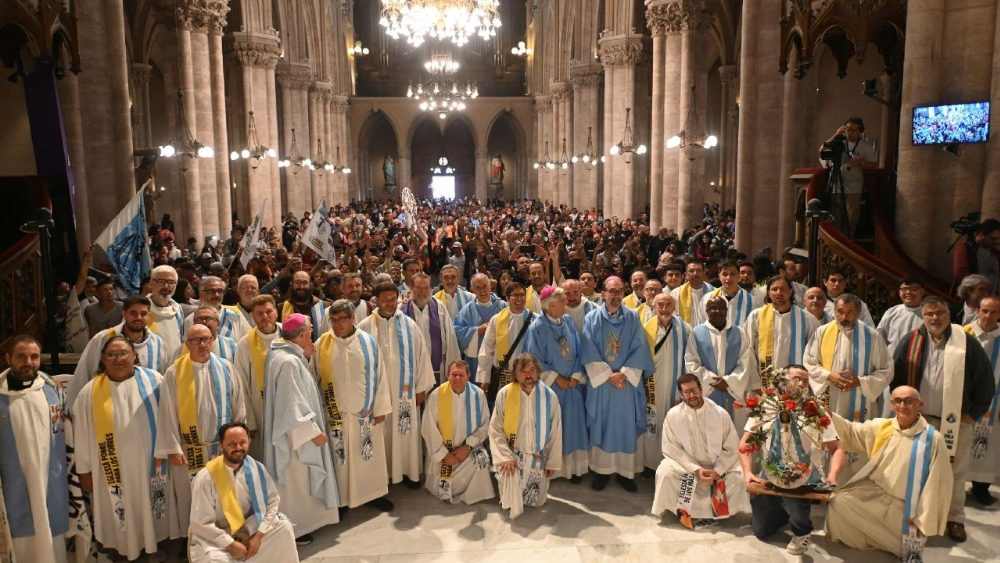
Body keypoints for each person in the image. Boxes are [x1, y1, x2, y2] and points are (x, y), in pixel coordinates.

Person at [889, 296, 995, 542]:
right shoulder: (912, 341)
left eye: (940, 313)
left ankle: (954, 518)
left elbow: (985, 382)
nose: (935, 318)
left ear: (949, 315)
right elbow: (897, 375)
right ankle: (916, 515)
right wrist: (903, 409)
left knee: (956, 472)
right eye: (929, 314)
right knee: (915, 469)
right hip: (919, 420)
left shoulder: (966, 343)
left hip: (956, 422)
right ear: (923, 316)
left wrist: (972, 413)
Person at [826, 386, 953, 560]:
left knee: (910, 543)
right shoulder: (883, 427)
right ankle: (882, 541)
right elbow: (851, 432)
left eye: (909, 401)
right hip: (875, 493)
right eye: (897, 401)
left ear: (920, 405)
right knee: (837, 503)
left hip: (905, 505)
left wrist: (925, 519)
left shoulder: (933, 439)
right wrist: (828, 416)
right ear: (891, 405)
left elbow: (939, 483)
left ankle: (891, 542)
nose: (903, 405)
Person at [74, 336, 171, 560]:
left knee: (152, 509)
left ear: (134, 355)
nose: (119, 359)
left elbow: (169, 419)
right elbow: (80, 434)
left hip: (151, 465)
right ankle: (121, 551)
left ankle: (153, 547)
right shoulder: (89, 393)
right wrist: (85, 471)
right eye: (112, 354)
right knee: (119, 514)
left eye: (124, 353)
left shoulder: (155, 380)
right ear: (103, 359)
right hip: (110, 471)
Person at [738, 365, 845, 556]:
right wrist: (747, 473)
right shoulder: (765, 406)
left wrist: (832, 477)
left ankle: (802, 530)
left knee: (793, 489)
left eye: (805, 380)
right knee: (761, 531)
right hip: (770, 475)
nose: (802, 384)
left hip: (804, 475)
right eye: (797, 378)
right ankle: (785, 510)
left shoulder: (816, 410)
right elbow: (745, 444)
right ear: (783, 380)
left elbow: (836, 449)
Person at [156, 323, 246, 536]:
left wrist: (239, 440)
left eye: (206, 339)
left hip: (221, 446)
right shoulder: (174, 372)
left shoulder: (226, 367)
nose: (202, 344)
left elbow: (238, 402)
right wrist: (173, 447)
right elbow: (167, 411)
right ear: (187, 344)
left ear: (213, 341)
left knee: (224, 492)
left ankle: (226, 536)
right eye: (196, 340)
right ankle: (194, 538)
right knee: (193, 495)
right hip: (190, 449)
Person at [261, 314, 340, 544]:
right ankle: (296, 529)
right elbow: (291, 405)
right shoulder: (288, 362)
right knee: (297, 483)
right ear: (303, 335)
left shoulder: (280, 353)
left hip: (292, 433)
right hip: (295, 439)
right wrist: (312, 433)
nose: (313, 333)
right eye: (310, 330)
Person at [312, 300, 394, 512]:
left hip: (365, 414)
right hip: (335, 417)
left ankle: (372, 495)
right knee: (341, 461)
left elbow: (380, 375)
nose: (337, 324)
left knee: (368, 457)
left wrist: (381, 408)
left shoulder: (368, 342)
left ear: (352, 318)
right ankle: (342, 500)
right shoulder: (322, 344)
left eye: (342, 319)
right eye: (333, 319)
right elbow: (314, 378)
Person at [581, 276, 656, 492]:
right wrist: (608, 375)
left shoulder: (633, 317)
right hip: (603, 384)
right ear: (603, 293)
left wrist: (623, 373)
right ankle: (602, 472)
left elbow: (640, 347)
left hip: (625, 384)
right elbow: (588, 348)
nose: (615, 296)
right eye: (611, 291)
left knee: (625, 425)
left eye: (619, 292)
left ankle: (625, 473)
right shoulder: (592, 318)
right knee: (602, 424)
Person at [358, 281, 435, 488]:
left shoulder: (409, 324)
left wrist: (420, 388)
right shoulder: (365, 326)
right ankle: (382, 477)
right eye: (385, 300)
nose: (390, 303)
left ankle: (407, 472)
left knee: (405, 431)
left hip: (404, 393)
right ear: (376, 301)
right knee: (380, 434)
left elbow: (421, 355)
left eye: (394, 299)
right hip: (377, 395)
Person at [0, 335, 69, 563]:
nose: (28, 361)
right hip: (13, 485)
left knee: (52, 537)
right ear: (8, 357)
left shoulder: (52, 390)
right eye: (21, 356)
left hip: (52, 481)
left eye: (34, 356)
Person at [188, 422, 297, 563]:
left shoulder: (257, 469)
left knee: (284, 528)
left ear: (249, 442)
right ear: (221, 445)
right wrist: (230, 544)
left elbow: (272, 502)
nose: (238, 448)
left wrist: (258, 536)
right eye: (232, 444)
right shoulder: (206, 477)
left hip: (246, 529)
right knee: (215, 560)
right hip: (215, 536)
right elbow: (200, 523)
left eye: (242, 442)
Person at [651, 373, 749, 527]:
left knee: (738, 478)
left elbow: (731, 446)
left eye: (694, 390)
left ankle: (713, 514)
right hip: (688, 468)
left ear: (701, 390)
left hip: (716, 466)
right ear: (681, 395)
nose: (691, 395)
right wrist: (695, 469)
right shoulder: (673, 415)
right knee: (666, 474)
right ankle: (689, 512)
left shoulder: (719, 413)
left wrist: (718, 470)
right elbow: (671, 448)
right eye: (686, 392)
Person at [523, 285, 589, 482]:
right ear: (550, 305)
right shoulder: (538, 327)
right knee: (553, 427)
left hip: (573, 386)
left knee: (573, 426)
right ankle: (553, 469)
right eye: (561, 300)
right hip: (552, 388)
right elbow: (534, 359)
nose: (565, 302)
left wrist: (576, 374)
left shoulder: (567, 320)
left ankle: (573, 469)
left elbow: (578, 349)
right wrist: (557, 378)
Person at [488, 353, 562, 519]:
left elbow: (555, 431)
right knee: (511, 502)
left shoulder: (549, 396)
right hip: (512, 456)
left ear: (538, 372)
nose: (528, 375)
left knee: (537, 502)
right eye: (523, 371)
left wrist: (552, 462)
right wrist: (505, 456)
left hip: (537, 457)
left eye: (532, 370)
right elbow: (495, 429)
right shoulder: (505, 394)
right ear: (515, 374)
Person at [67, 295, 168, 413]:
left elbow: (163, 378)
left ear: (149, 316)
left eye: (143, 313)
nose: (138, 317)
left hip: (144, 408)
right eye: (133, 313)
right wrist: (71, 409)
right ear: (124, 314)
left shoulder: (158, 343)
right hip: (106, 405)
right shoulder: (103, 338)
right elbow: (83, 372)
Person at [805, 294, 891, 423]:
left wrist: (860, 382)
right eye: (840, 312)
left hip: (860, 395)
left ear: (858, 313)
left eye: (849, 312)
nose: (844, 317)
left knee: (856, 438)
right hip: (830, 395)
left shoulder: (873, 337)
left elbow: (886, 369)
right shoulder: (821, 332)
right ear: (834, 311)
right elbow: (809, 361)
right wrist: (829, 375)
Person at [420, 361, 495, 504]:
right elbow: (428, 428)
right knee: (441, 490)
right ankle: (454, 487)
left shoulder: (477, 395)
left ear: (468, 375)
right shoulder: (437, 395)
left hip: (467, 451)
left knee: (482, 460)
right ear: (448, 376)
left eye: (461, 375)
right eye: (453, 375)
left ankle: (470, 493)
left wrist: (467, 447)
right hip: (443, 453)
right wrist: (444, 454)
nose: (457, 379)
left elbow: (485, 425)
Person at [685, 296, 757, 429]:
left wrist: (729, 382)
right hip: (707, 391)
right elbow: (691, 361)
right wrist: (711, 380)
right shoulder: (696, 333)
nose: (717, 311)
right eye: (713, 308)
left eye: (720, 308)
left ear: (726, 310)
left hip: (733, 392)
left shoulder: (739, 332)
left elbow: (745, 362)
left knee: (733, 432)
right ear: (706, 311)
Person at [639, 293, 691, 471]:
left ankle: (671, 465)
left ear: (674, 307)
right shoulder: (646, 328)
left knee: (673, 425)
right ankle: (649, 464)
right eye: (660, 305)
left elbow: (690, 359)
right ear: (653, 307)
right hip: (652, 385)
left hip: (675, 386)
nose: (664, 308)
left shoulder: (685, 329)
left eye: (668, 304)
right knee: (651, 423)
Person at [744, 276, 817, 388]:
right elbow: (747, 349)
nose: (779, 292)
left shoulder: (807, 319)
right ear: (768, 292)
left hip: (798, 385)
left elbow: (814, 352)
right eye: (774, 289)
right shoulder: (756, 316)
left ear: (791, 291)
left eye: (783, 289)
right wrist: (756, 385)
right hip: (763, 383)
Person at [234, 295, 281, 458]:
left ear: (276, 312)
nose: (265, 316)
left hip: (287, 408)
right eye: (260, 313)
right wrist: (250, 422)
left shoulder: (288, 334)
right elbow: (242, 383)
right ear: (253, 316)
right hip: (260, 412)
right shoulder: (245, 343)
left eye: (269, 311)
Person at [966, 294, 1000, 505]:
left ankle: (981, 488)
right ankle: (954, 488)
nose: (988, 316)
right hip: (965, 401)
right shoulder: (963, 334)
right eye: (984, 310)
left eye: (994, 311)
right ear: (977, 311)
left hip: (994, 402)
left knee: (989, 444)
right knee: (961, 444)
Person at [819, 117, 877, 236]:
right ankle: (836, 246)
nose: (851, 132)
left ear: (860, 131)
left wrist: (861, 163)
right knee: (835, 219)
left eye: (855, 130)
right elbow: (822, 151)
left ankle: (848, 243)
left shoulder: (865, 147)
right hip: (836, 185)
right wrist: (836, 135)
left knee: (852, 218)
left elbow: (873, 165)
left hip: (854, 188)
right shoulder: (838, 142)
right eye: (849, 129)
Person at [476, 282, 535, 398]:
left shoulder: (535, 319)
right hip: (505, 374)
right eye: (515, 295)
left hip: (528, 373)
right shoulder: (497, 319)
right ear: (507, 298)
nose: (519, 298)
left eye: (522, 295)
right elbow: (487, 349)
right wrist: (485, 378)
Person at [403, 272, 461, 384]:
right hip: (412, 368)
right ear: (411, 287)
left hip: (437, 367)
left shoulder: (439, 307)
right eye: (419, 288)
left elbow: (450, 337)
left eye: (426, 288)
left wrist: (453, 368)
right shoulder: (402, 310)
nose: (423, 292)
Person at [454, 273, 506, 378]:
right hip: (475, 361)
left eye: (484, 286)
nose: (482, 290)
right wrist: (477, 331)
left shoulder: (504, 306)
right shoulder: (466, 310)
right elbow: (457, 331)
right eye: (477, 287)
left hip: (500, 359)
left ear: (490, 286)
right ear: (472, 290)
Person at [184, 276, 251, 342]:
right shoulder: (191, 319)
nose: (217, 295)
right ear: (201, 293)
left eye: (220, 291)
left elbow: (247, 342)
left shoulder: (235, 317)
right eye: (212, 291)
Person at [876, 275, 926, 359]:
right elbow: (879, 338)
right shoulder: (891, 312)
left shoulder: (930, 314)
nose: (908, 292)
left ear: (922, 292)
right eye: (904, 289)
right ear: (899, 292)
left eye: (913, 289)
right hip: (892, 363)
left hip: (918, 365)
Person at [700, 261, 754, 328]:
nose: (728, 278)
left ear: (739, 276)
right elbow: (702, 325)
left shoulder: (752, 301)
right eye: (725, 274)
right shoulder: (707, 299)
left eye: (732, 274)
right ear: (719, 277)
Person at [277, 271, 327, 341]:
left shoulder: (324, 307)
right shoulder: (280, 308)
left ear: (310, 285)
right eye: (297, 282)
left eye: (305, 283)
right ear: (291, 284)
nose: (301, 287)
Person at [670, 260, 714, 327]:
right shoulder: (675, 294)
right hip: (685, 334)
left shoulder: (714, 292)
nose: (695, 274)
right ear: (685, 275)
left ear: (704, 273)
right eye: (691, 271)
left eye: (698, 270)